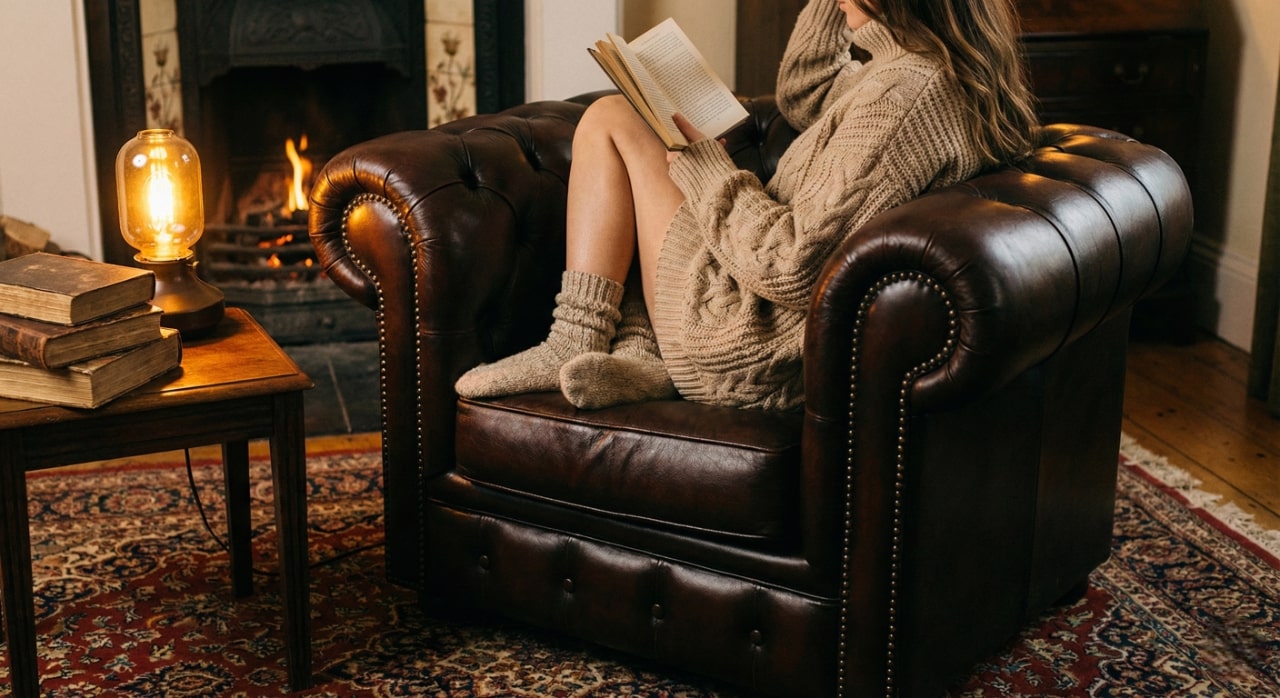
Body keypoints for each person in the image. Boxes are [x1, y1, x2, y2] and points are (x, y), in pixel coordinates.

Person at [455, 0, 1039, 411]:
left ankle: (576, 336)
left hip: (741, 335)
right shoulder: (923, 74)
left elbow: (795, 264)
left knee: (612, 118)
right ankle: (640, 350)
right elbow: (807, 92)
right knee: (647, 140)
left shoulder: (906, 96)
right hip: (757, 321)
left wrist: (709, 168)